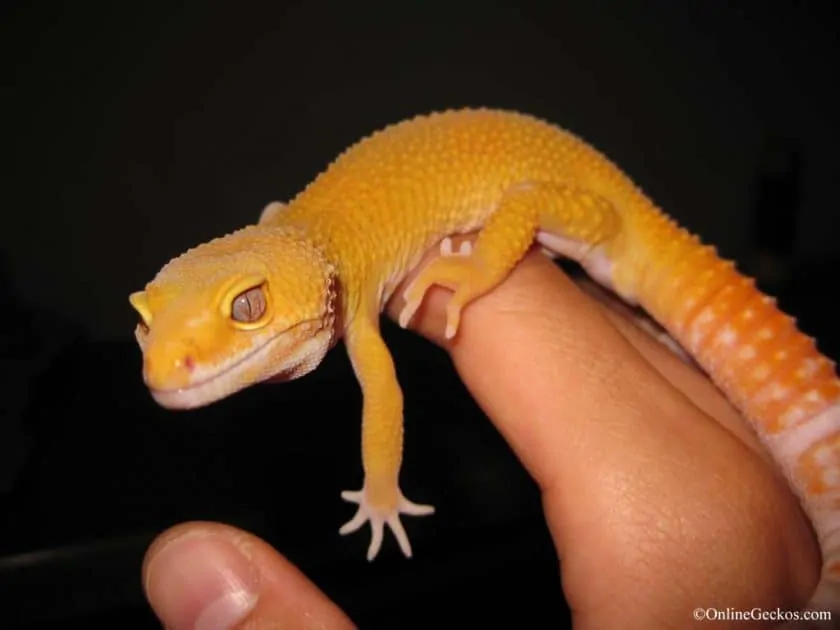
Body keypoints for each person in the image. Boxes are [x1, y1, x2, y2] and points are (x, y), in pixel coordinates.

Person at [141, 240, 819, 630]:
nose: (173, 361)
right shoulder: (290, 242)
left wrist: (381, 490)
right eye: (149, 323)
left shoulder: (347, 305)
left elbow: (385, 396)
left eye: (248, 308)